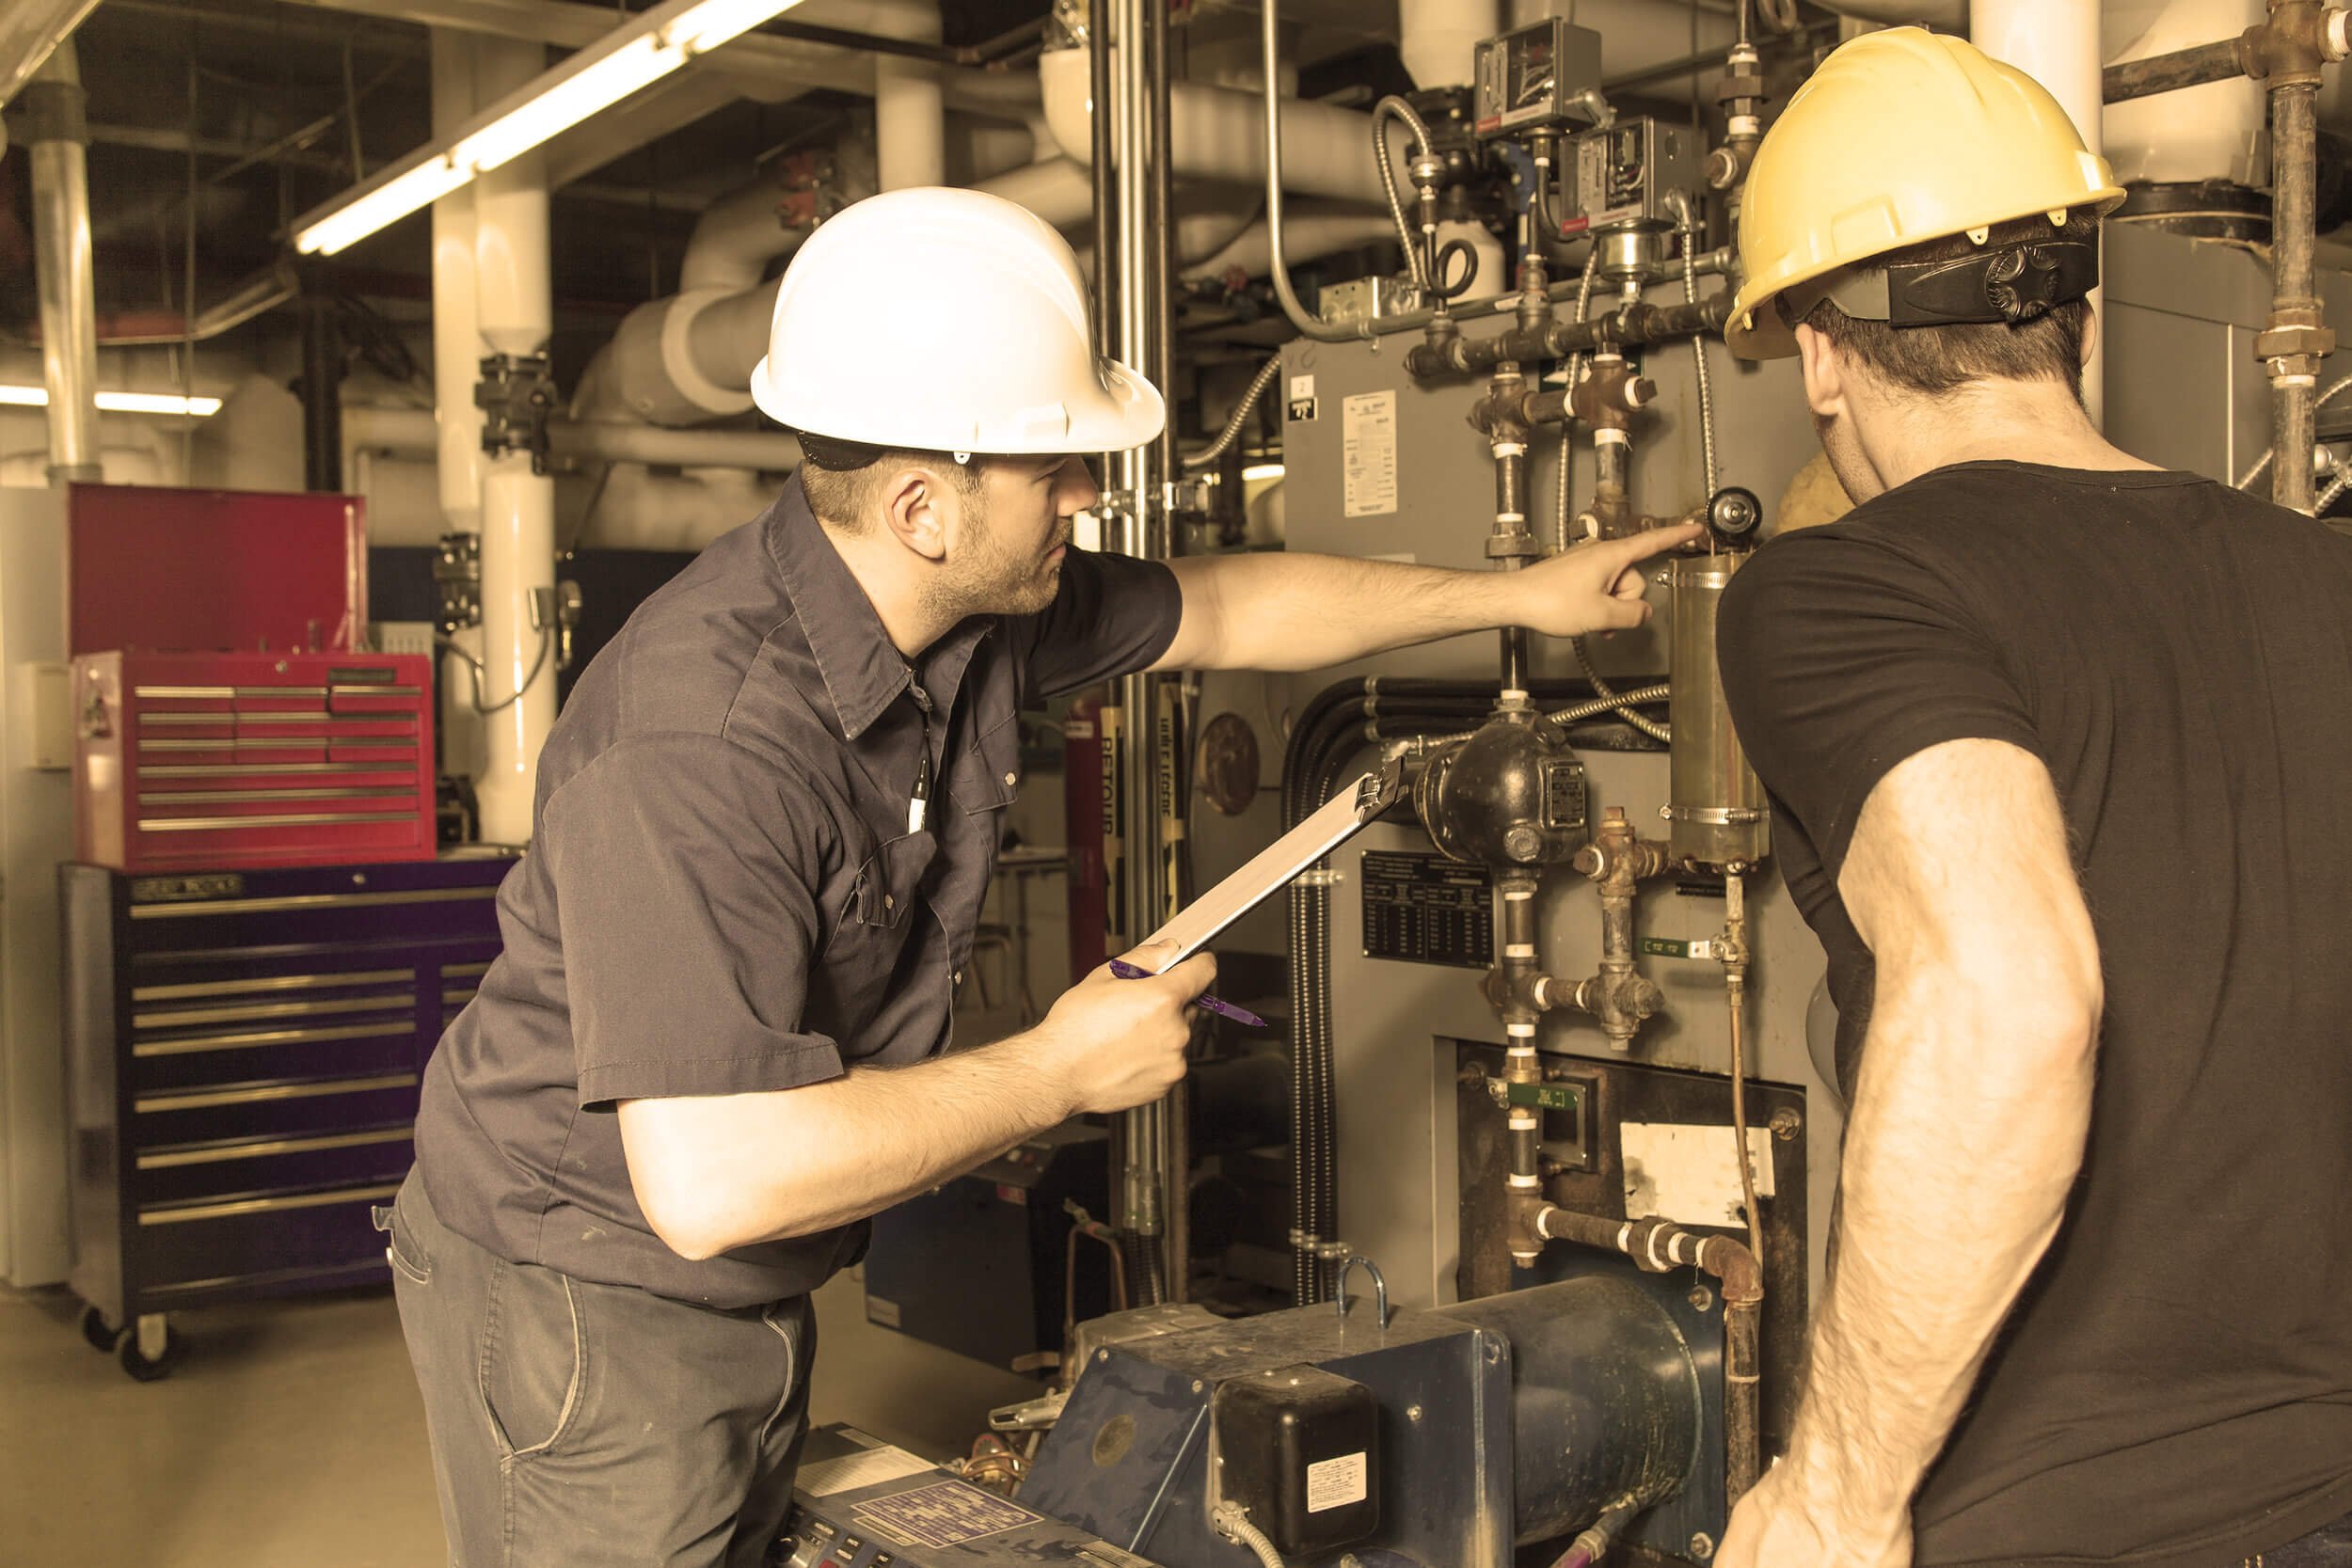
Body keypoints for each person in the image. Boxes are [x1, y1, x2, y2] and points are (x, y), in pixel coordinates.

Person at [381, 185, 1695, 1567]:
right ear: (920, 504)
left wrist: (1519, 596)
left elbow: (1232, 604)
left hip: (728, 1274)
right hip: (579, 1284)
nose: (1088, 493)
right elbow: (717, 1180)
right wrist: (1059, 1067)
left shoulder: (961, 610)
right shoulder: (699, 745)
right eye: (1053, 468)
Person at [1710, 27, 2352, 1568]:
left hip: (2051, 1522)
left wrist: (1831, 1498)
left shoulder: (1841, 592)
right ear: (2073, 318)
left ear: (1817, 348)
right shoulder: (2326, 574)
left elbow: (2005, 1003)